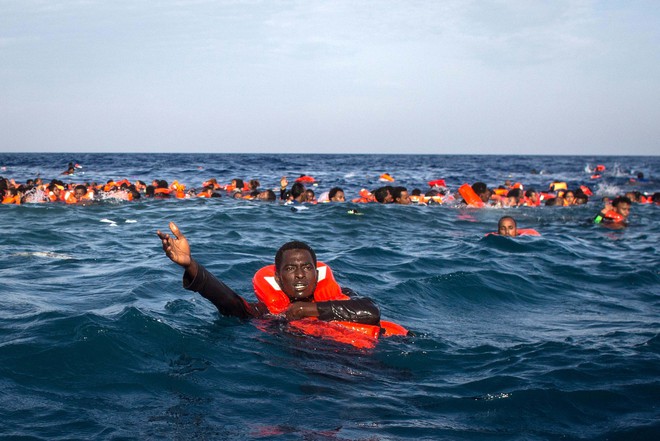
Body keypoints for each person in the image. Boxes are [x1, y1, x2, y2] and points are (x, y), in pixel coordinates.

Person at [156, 222, 383, 324]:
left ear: (317, 272)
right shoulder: (268, 312)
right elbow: (229, 302)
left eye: (307, 268)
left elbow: (371, 312)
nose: (301, 275)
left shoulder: (339, 295)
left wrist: (308, 309)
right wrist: (191, 265)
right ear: (277, 277)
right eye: (291, 269)